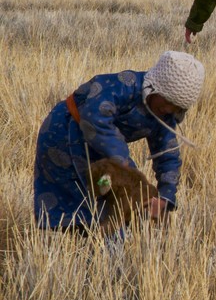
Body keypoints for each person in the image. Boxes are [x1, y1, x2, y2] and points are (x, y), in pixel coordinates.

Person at [33, 50, 204, 233]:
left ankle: (101, 246)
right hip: (65, 135)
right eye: (168, 101)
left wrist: (165, 197)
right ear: (154, 87)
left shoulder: (164, 115)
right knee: (79, 200)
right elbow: (94, 118)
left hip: (104, 151)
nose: (169, 109)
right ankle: (83, 246)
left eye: (177, 107)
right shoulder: (123, 85)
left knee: (112, 198)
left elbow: (167, 156)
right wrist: (123, 165)